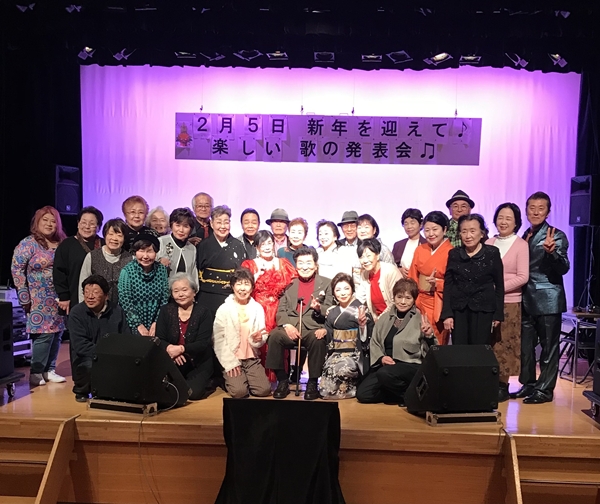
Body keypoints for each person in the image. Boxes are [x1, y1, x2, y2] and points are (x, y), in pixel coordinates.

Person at [513, 191, 569, 404]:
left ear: (548, 212)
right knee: (526, 347)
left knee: (549, 348)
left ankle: (544, 390)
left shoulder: (555, 235)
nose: (535, 212)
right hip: (525, 298)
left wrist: (552, 253)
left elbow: (564, 267)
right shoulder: (525, 234)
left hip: (548, 299)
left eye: (541, 208)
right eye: (532, 208)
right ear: (526, 210)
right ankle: (528, 384)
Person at [266, 246, 334, 400]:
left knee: (318, 340)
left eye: (309, 263)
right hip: (291, 327)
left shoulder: (327, 283)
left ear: (315, 265)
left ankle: (312, 382)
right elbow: (281, 309)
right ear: (296, 265)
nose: (305, 267)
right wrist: (286, 325)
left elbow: (331, 308)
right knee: (274, 336)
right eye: (301, 263)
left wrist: (319, 309)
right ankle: (282, 380)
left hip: (313, 327)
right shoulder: (289, 285)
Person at [11, 206, 67, 387]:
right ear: (37, 222)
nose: (49, 224)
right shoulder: (28, 244)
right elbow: (17, 270)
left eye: (53, 221)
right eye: (45, 220)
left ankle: (49, 369)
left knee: (57, 334)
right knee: (43, 335)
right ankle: (36, 372)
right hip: (37, 298)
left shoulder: (62, 243)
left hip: (59, 297)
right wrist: (24, 296)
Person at [356, 278, 436, 405]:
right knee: (363, 394)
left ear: (414, 299)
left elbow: (433, 352)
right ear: (394, 297)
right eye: (399, 297)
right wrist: (381, 358)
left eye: (408, 298)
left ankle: (409, 397)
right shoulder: (385, 318)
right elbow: (375, 342)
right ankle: (400, 394)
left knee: (384, 374)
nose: (403, 302)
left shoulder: (420, 319)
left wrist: (429, 336)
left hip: (410, 365)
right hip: (387, 366)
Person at [486, 203, 529, 402]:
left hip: (510, 303)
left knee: (505, 343)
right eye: (500, 217)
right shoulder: (489, 242)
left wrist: (498, 288)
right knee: (490, 343)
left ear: (516, 222)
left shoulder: (521, 245)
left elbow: (523, 277)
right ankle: (487, 381)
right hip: (487, 302)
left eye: (508, 218)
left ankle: (502, 385)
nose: (503, 222)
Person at [442, 214, 504, 345]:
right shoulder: (454, 254)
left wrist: (498, 314)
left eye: (472, 231)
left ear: (482, 233)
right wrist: (447, 313)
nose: (468, 236)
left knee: (479, 350)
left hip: (484, 310)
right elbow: (448, 285)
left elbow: (499, 285)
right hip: (459, 310)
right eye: (464, 231)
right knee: (460, 350)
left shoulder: (492, 253)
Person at [68, 275, 130, 402]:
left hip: (112, 356)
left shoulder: (117, 311)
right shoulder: (76, 313)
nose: (90, 296)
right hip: (86, 357)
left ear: (106, 295)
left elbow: (125, 338)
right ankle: (81, 390)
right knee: (89, 365)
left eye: (95, 292)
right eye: (86, 292)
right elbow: (80, 346)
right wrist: (105, 355)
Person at [213, 268, 272, 398]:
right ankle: (228, 380)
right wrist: (229, 363)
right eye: (239, 284)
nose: (242, 288)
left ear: (252, 288)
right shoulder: (224, 309)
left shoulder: (257, 308)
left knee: (263, 390)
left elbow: (262, 334)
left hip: (251, 358)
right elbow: (218, 339)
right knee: (239, 392)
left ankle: (245, 378)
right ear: (233, 286)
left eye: (246, 284)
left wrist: (259, 339)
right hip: (232, 357)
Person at [156, 273, 214, 400]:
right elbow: (159, 338)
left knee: (192, 393)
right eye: (176, 291)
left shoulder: (204, 312)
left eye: (184, 290)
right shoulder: (166, 310)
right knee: (162, 389)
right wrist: (171, 349)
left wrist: (181, 349)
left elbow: (203, 343)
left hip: (198, 361)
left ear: (194, 291)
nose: (180, 294)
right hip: (174, 359)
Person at [319, 273, 373, 400]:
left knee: (342, 368)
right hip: (336, 352)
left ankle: (353, 388)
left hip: (355, 353)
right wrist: (324, 331)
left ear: (352, 289)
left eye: (346, 288)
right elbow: (329, 332)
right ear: (333, 293)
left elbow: (369, 335)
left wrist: (363, 327)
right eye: (338, 290)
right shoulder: (333, 312)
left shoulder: (361, 309)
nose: (342, 293)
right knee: (329, 368)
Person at [408, 211, 453, 345]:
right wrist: (414, 299)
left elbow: (455, 283)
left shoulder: (452, 252)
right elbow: (412, 276)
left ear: (444, 229)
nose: (431, 234)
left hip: (439, 302)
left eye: (435, 229)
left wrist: (438, 283)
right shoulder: (420, 249)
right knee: (417, 340)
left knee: (437, 341)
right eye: (427, 230)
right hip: (419, 300)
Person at [196, 205, 247, 315]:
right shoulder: (203, 245)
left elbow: (243, 273)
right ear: (211, 224)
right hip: (207, 296)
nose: (223, 226)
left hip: (230, 296)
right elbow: (196, 270)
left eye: (226, 222)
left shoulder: (238, 245)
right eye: (219, 222)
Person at [53, 206, 104, 314]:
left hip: (101, 301)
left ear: (98, 227)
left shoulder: (104, 245)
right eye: (83, 222)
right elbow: (59, 272)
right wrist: (64, 296)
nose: (87, 226)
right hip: (75, 298)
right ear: (78, 224)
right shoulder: (67, 245)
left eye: (92, 223)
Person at [118, 233, 169, 336]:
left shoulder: (161, 269)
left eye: (149, 251)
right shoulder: (127, 271)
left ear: (156, 252)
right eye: (141, 251)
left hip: (156, 321)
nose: (145, 256)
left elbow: (164, 298)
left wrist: (156, 322)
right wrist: (138, 325)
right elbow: (125, 301)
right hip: (131, 322)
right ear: (135, 252)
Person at [78, 218, 132, 305]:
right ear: (105, 235)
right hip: (97, 308)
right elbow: (83, 285)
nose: (114, 238)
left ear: (124, 238)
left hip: (122, 309)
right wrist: (83, 307)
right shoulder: (92, 256)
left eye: (119, 235)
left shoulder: (130, 259)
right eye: (111, 234)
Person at [356, 239, 402, 321]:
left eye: (368, 256)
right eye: (361, 257)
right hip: (377, 320)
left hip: (396, 317)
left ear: (377, 256)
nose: (365, 260)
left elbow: (396, 301)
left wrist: (380, 320)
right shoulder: (365, 274)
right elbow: (359, 298)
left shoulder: (390, 271)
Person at [157, 208, 198, 288]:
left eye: (186, 226)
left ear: (191, 229)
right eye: (178, 225)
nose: (181, 230)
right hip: (161, 290)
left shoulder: (192, 249)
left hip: (183, 292)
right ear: (171, 225)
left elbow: (193, 275)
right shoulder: (161, 242)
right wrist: (159, 262)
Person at [392, 208, 427, 277]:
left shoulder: (427, 244)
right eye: (406, 223)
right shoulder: (398, 245)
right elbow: (391, 264)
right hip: (402, 280)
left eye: (412, 223)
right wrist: (399, 270)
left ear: (420, 224)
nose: (409, 226)